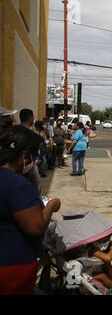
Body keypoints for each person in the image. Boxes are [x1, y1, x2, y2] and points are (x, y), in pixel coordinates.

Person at [0, 126, 61, 295]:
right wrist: (51, 205)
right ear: (24, 155)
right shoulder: (17, 184)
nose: (34, 160)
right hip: (12, 266)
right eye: (33, 155)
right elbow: (35, 227)